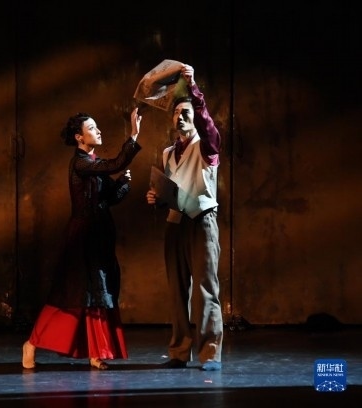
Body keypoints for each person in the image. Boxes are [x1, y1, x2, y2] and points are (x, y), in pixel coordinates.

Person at [22, 108, 142, 370]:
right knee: (71, 295)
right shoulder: (80, 163)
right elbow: (115, 164)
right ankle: (31, 343)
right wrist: (133, 135)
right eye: (92, 128)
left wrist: (122, 184)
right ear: (79, 137)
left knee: (98, 294)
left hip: (99, 236)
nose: (98, 131)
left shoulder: (93, 163)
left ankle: (96, 353)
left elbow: (108, 198)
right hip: (82, 238)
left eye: (97, 127)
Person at [146, 63, 223, 371]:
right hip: (175, 223)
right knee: (177, 292)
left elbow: (208, 127)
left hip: (201, 220)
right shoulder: (168, 152)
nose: (180, 116)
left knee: (205, 289)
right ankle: (179, 351)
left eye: (186, 112)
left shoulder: (206, 146)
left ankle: (209, 353)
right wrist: (157, 198)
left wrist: (193, 90)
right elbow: (172, 189)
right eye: (176, 112)